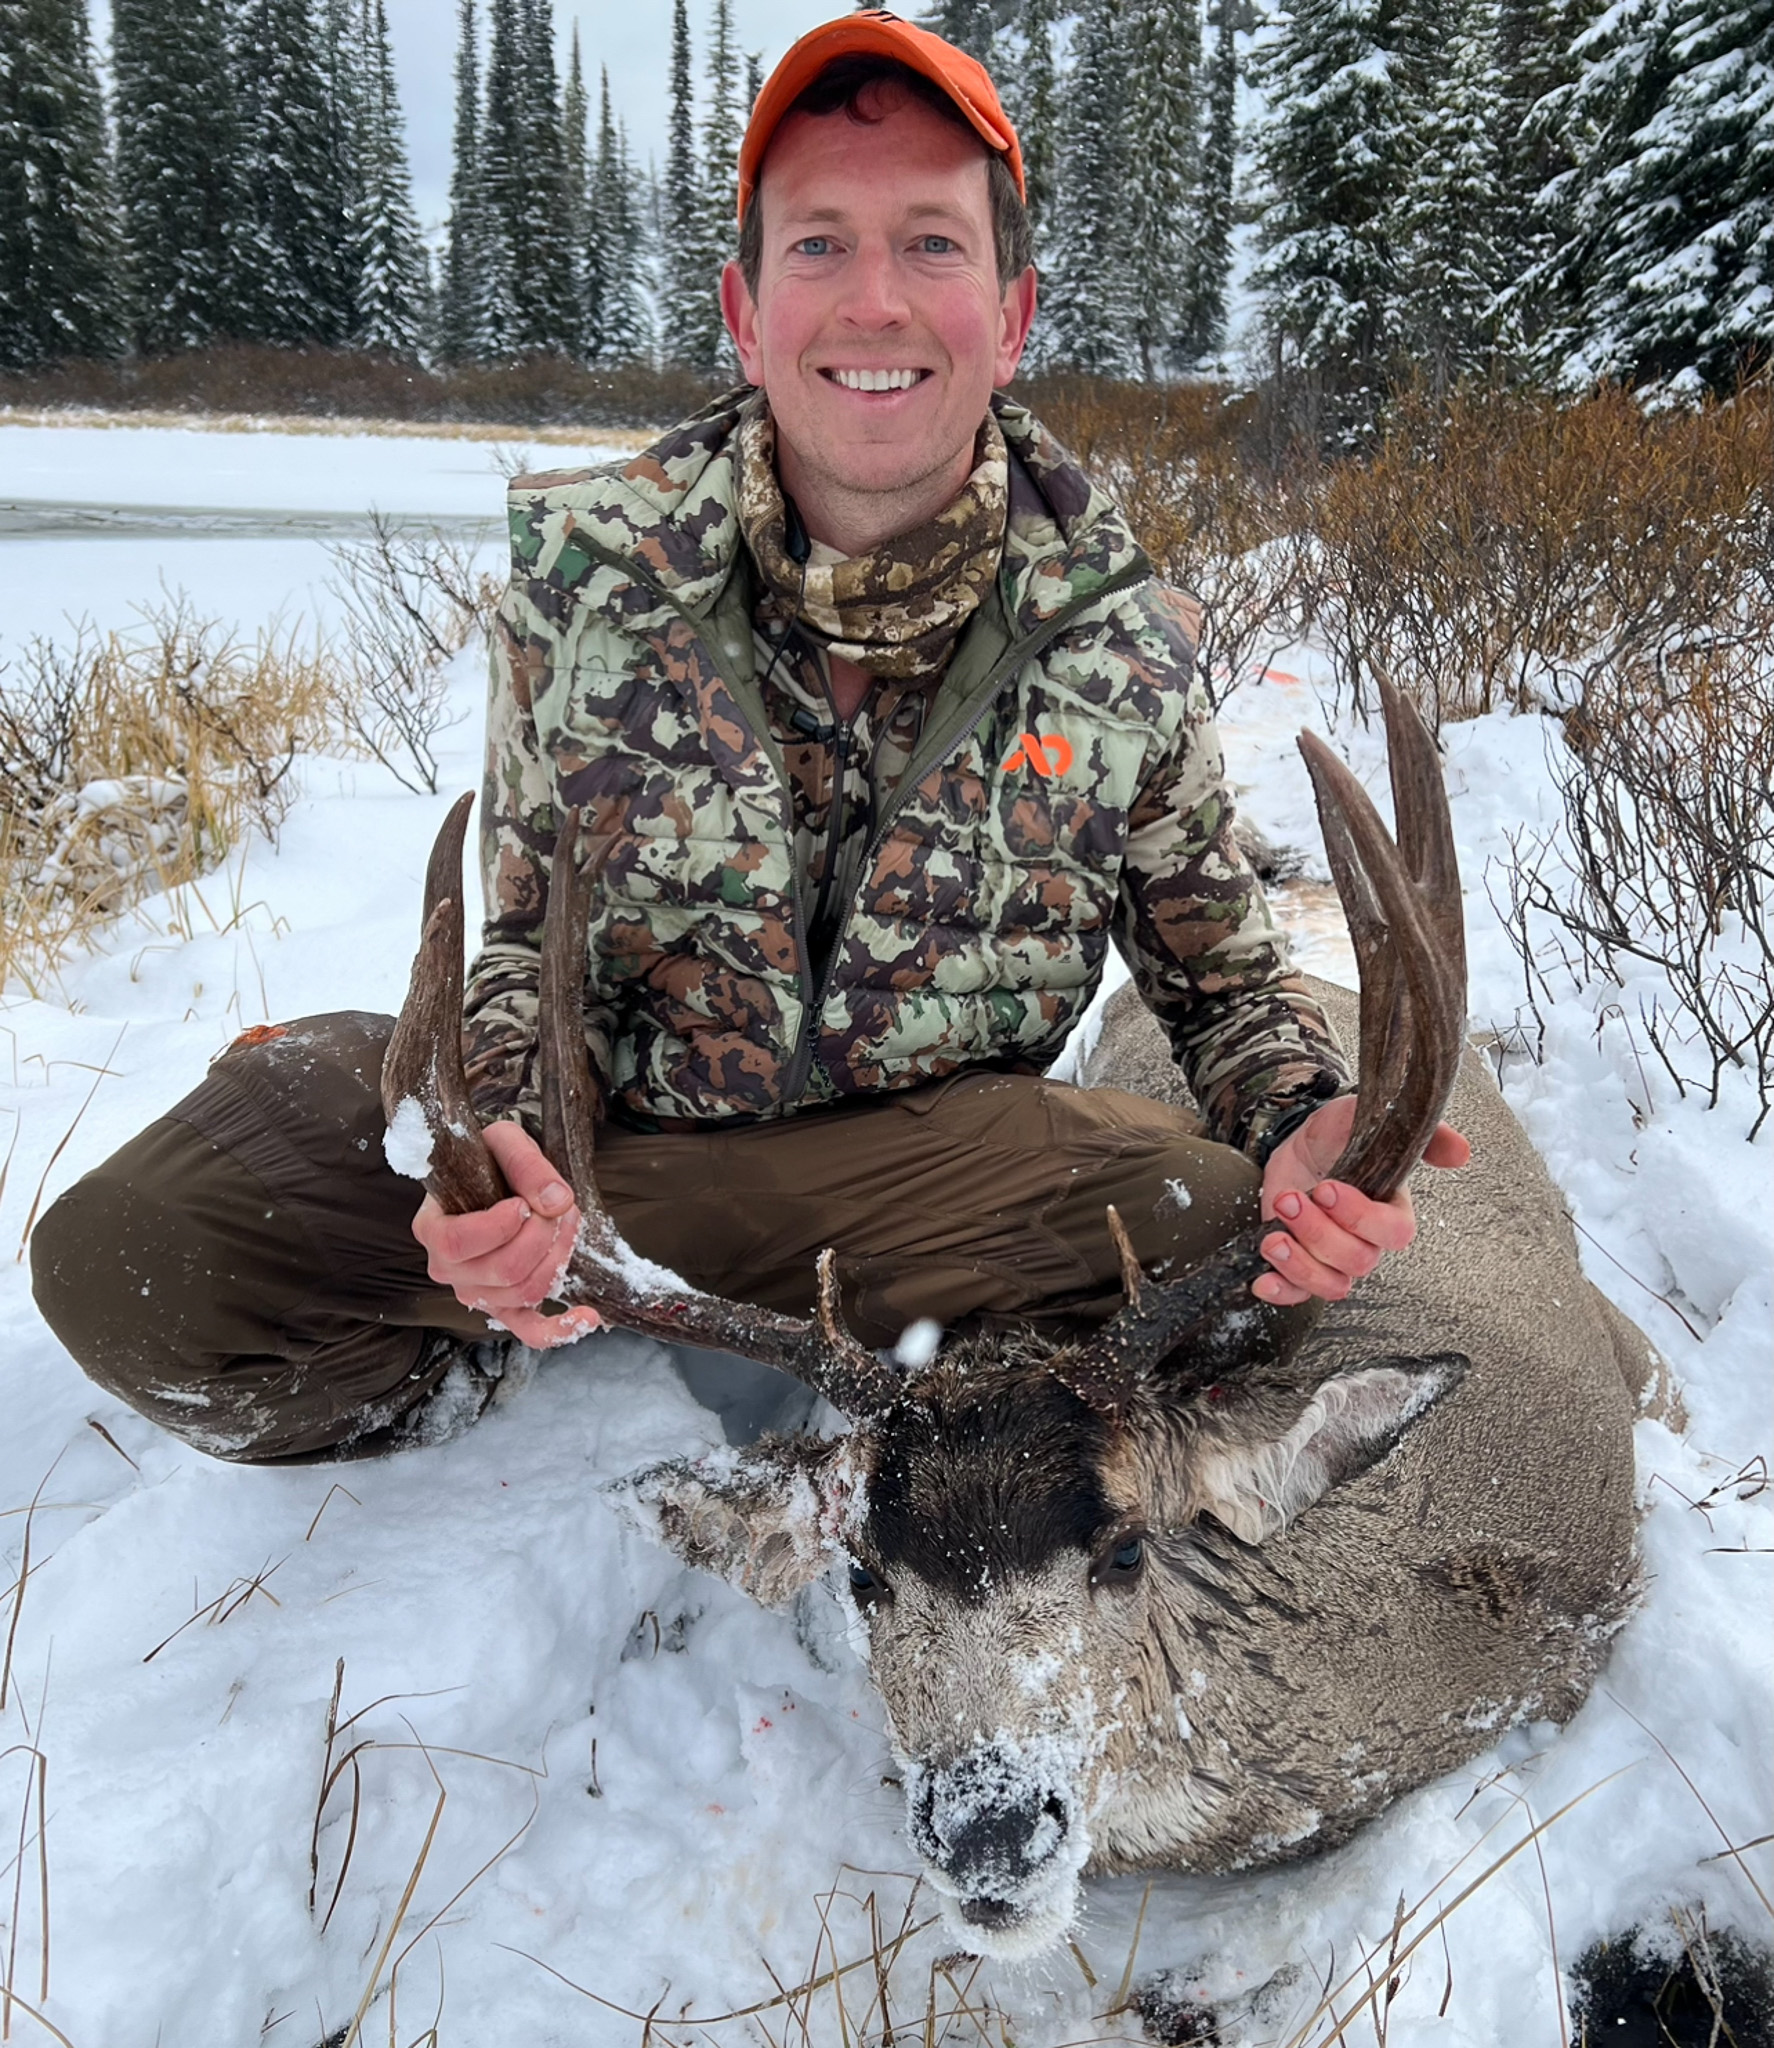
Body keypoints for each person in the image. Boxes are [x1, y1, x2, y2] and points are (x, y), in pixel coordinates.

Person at [30, 12, 1466, 1464]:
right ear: (745, 306)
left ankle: (682, 1313)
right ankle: (509, 1360)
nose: (874, 302)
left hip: (931, 1187)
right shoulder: (588, 586)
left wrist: (1299, 1114)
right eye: (820, 245)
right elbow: (522, 949)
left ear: (1014, 313)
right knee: (140, 1262)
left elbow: (1221, 985)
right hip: (617, 1150)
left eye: (931, 243)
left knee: (1240, 1251)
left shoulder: (1117, 644)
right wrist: (506, 1160)